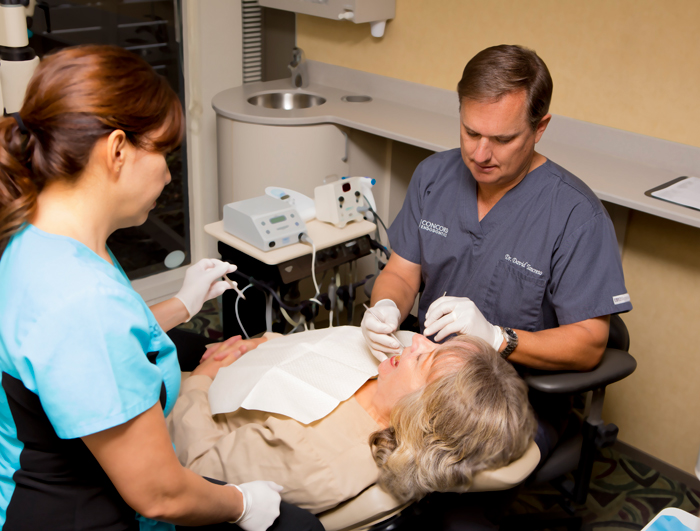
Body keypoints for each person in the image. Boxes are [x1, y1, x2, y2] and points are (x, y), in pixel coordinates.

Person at [0, 45, 322, 531]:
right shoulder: (80, 300)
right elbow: (160, 494)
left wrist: (183, 303)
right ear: (116, 150)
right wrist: (243, 502)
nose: (169, 176)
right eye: (164, 153)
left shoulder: (37, 237)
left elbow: (84, 353)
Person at [361, 43, 633, 530]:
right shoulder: (433, 178)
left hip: (511, 400)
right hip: (427, 373)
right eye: (470, 132)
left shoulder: (575, 216)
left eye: (502, 139)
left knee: (449, 509)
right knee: (353, 454)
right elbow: (403, 271)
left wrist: (498, 339)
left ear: (540, 127)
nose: (480, 154)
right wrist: (385, 304)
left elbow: (591, 345)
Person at [167, 328, 537, 514]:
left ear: (422, 415)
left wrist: (203, 377)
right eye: (436, 345)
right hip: (242, 368)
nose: (418, 340)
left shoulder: (312, 456)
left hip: (186, 412)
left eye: (425, 359)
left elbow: (196, 467)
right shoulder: (390, 381)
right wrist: (264, 342)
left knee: (168, 342)